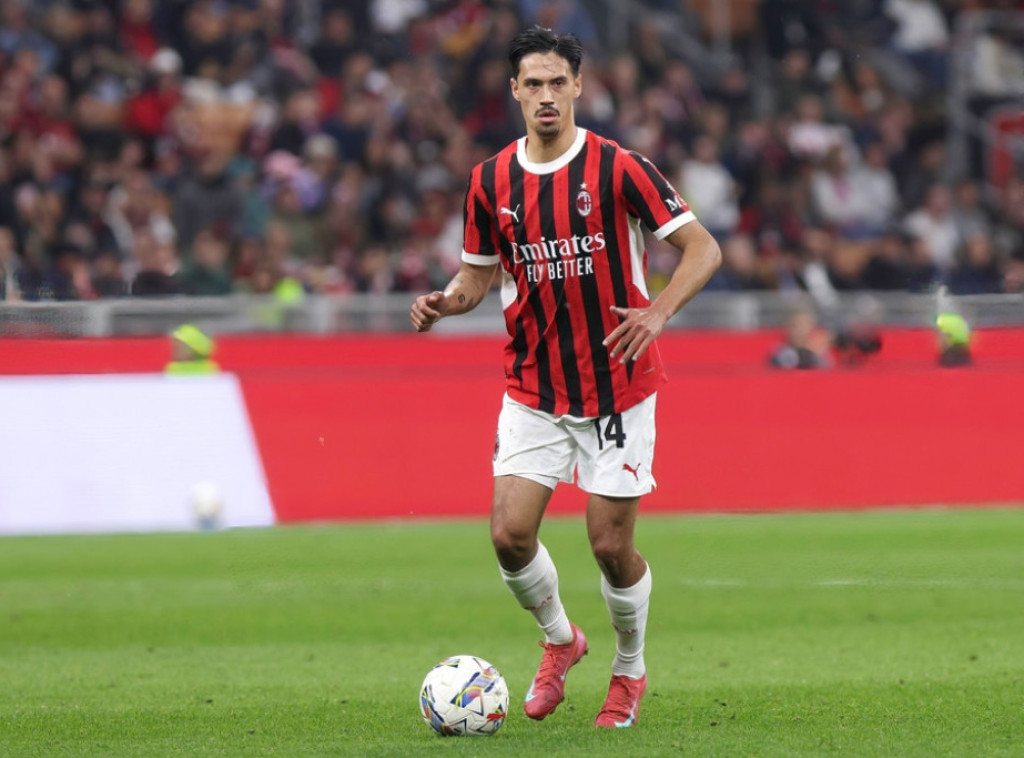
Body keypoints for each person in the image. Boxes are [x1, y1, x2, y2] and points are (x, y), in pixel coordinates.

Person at [410, 27, 721, 729]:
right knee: (508, 535)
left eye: (558, 82)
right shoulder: (490, 180)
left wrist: (658, 311)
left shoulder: (620, 167)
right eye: (534, 84)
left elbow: (702, 250)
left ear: (578, 86)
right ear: (515, 91)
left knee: (609, 546)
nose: (547, 95)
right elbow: (476, 277)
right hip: (534, 386)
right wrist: (446, 302)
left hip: (617, 384)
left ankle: (629, 669)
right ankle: (561, 640)